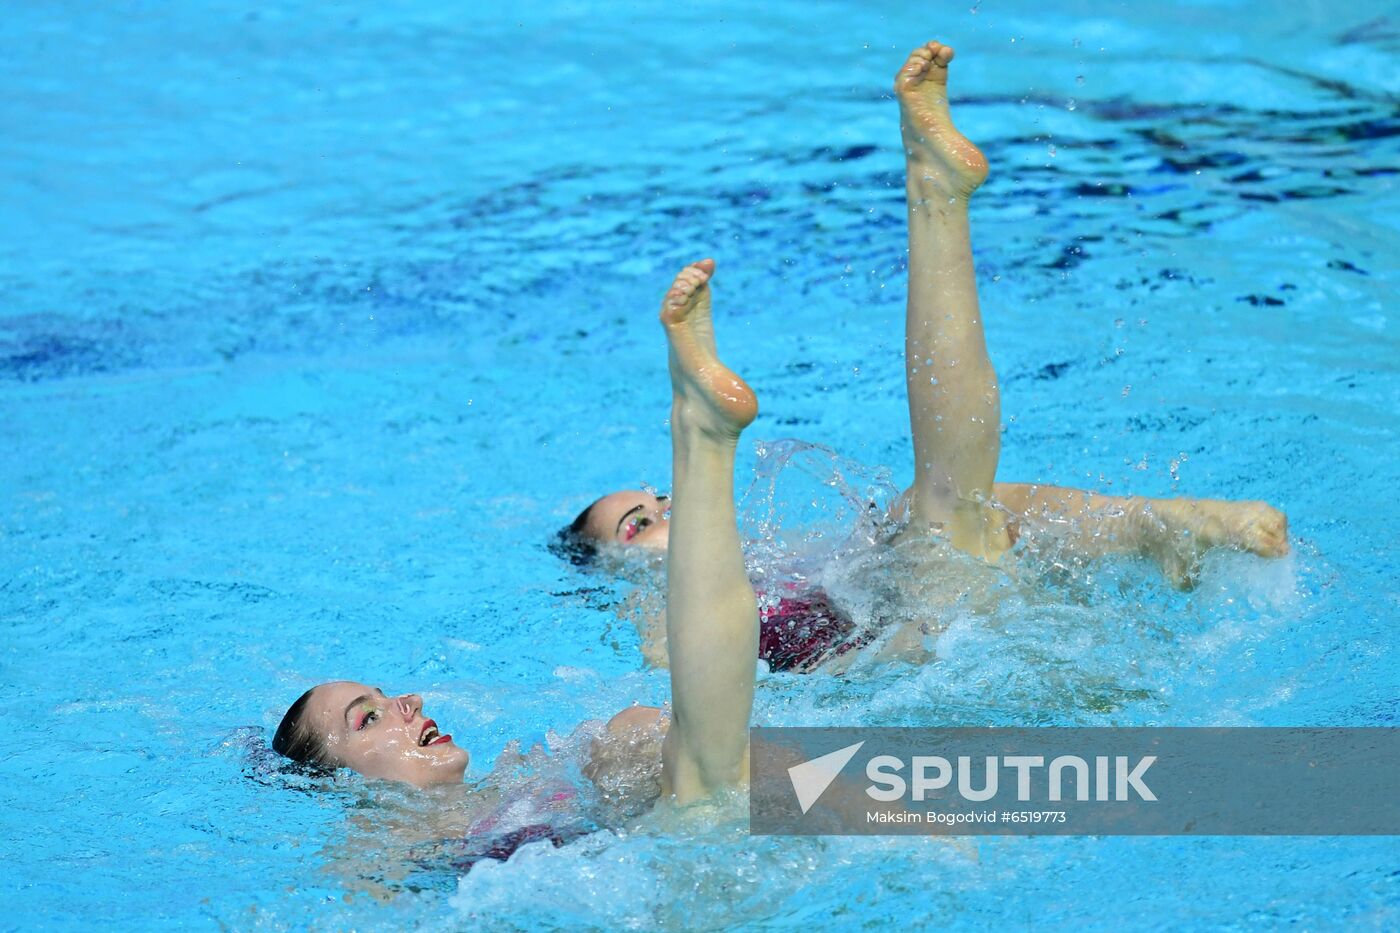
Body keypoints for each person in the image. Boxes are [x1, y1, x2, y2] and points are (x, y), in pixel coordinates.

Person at [557, 41, 1289, 671]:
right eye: (640, 525)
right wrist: (880, 657)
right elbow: (723, 721)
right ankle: (935, 197)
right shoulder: (658, 625)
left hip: (976, 632)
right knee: (943, 514)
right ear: (612, 581)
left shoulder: (798, 558)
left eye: (662, 502)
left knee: (939, 504)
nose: (668, 511)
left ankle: (1147, 522)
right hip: (929, 671)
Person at [270, 253, 761, 862]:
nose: (409, 702)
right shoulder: (383, 852)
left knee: (652, 735)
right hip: (696, 866)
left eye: (383, 697)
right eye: (366, 720)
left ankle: (702, 439)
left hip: (740, 822)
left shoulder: (522, 784)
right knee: (708, 777)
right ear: (341, 787)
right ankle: (700, 443)